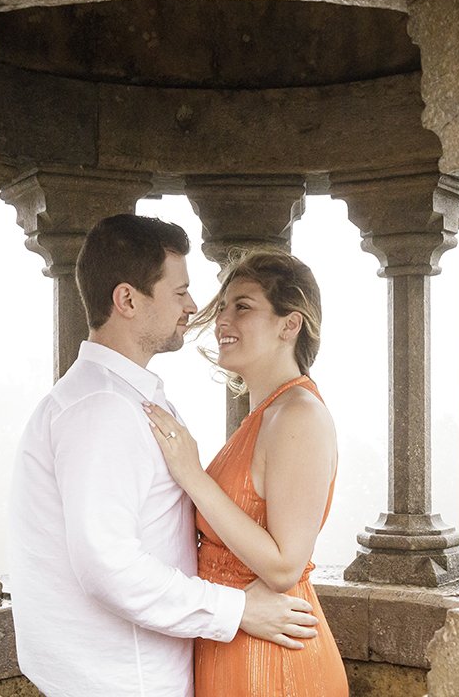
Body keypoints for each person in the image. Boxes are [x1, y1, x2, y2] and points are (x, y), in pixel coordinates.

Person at [8, 214, 320, 697]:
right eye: (179, 292)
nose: (197, 308)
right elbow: (107, 565)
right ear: (128, 299)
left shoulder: (125, 399)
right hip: (123, 680)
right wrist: (234, 609)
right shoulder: (105, 409)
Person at [143, 249, 348, 697]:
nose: (222, 321)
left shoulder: (299, 416)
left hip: (273, 659)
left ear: (289, 325)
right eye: (222, 307)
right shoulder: (266, 414)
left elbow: (283, 566)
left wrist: (191, 474)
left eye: (243, 307)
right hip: (235, 639)